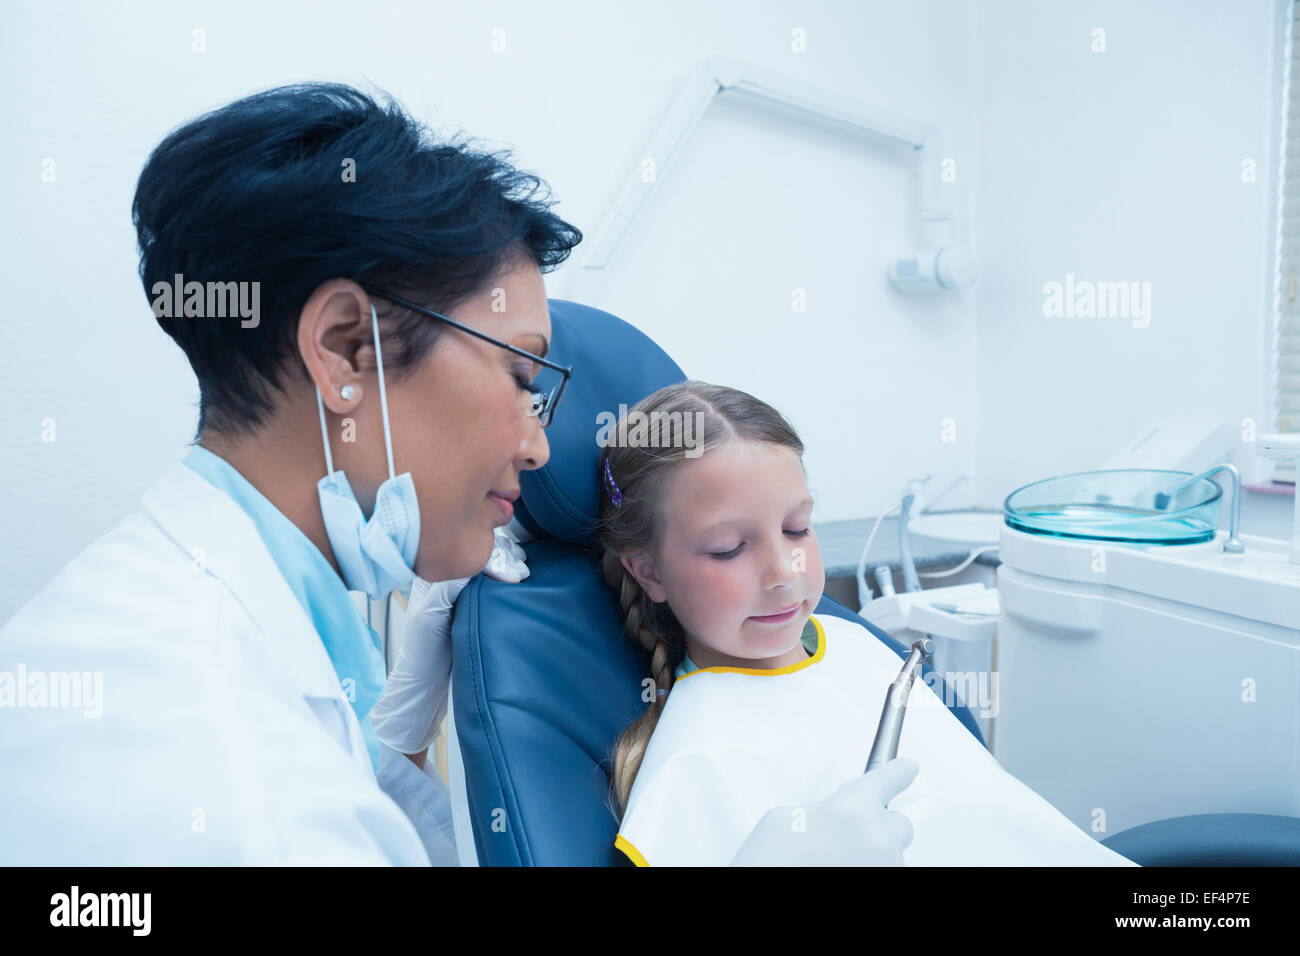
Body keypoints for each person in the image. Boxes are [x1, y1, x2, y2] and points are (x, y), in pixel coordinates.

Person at [0, 83, 919, 866]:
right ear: (344, 350)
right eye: (522, 378)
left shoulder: (188, 620)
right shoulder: (225, 777)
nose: (539, 446)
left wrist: (388, 734)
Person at [598, 382, 1138, 866]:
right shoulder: (694, 761)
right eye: (728, 548)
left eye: (796, 528)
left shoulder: (856, 646)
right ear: (648, 571)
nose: (784, 573)